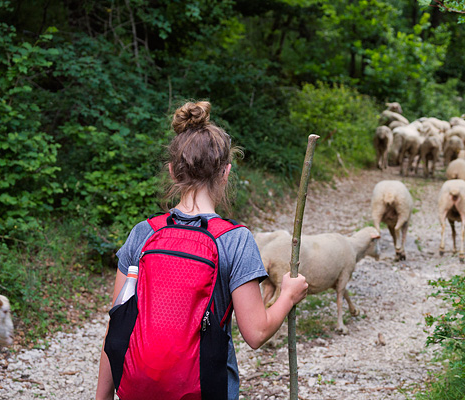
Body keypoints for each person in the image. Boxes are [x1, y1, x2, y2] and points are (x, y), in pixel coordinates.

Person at [95, 100, 308, 400]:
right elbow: (256, 333)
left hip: (136, 387)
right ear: (225, 172)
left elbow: (117, 328)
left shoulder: (144, 234)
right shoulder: (235, 240)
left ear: (171, 171)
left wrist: (101, 398)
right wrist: (287, 295)